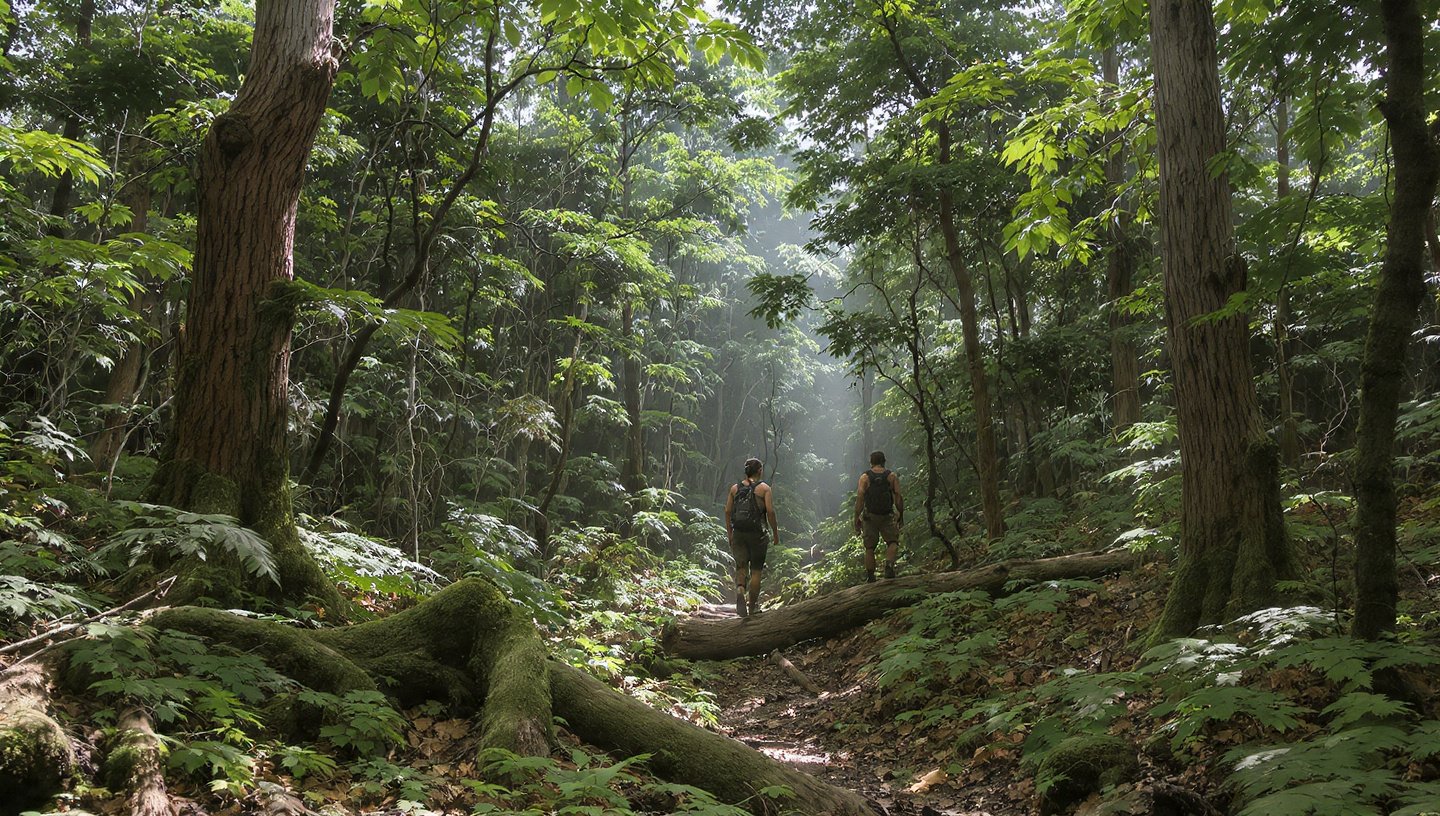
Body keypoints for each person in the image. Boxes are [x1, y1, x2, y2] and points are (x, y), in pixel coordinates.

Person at [724, 457, 777, 617]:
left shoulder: (735, 488)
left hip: (739, 532)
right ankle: (752, 607)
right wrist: (775, 532)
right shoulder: (764, 489)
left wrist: (730, 534)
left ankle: (740, 589)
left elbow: (727, 511)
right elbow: (770, 512)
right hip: (758, 534)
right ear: (759, 470)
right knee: (756, 571)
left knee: (741, 567)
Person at [853, 450, 903, 582]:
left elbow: (860, 498)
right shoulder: (891, 476)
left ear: (871, 462)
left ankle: (870, 576)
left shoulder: (865, 477)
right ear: (883, 462)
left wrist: (856, 517)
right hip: (887, 515)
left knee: (869, 547)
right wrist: (900, 513)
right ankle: (889, 566)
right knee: (893, 542)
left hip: (870, 517)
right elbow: (898, 496)